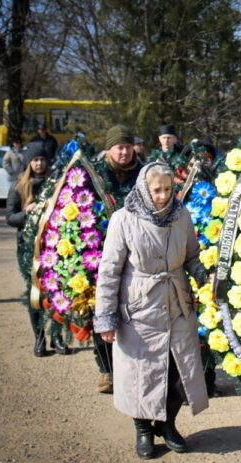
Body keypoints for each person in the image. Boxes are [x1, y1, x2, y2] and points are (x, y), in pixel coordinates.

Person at [94, 161, 209, 459]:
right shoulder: (124, 218)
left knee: (178, 371)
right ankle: (143, 429)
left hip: (176, 303)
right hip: (138, 307)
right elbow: (109, 271)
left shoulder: (181, 216)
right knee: (141, 373)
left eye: (168, 189)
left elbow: (191, 254)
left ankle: (167, 423)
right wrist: (106, 317)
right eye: (157, 190)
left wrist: (201, 273)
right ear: (144, 188)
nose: (162, 196)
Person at [91, 125, 144, 393]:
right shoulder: (95, 175)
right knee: (102, 308)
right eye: (118, 147)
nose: (124, 151)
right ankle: (107, 370)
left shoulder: (142, 173)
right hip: (101, 250)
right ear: (109, 149)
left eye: (127, 146)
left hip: (137, 253)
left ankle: (134, 367)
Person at [6, 143, 68, 356]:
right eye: (35, 160)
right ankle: (40, 339)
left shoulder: (55, 184)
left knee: (57, 293)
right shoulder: (19, 187)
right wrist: (27, 214)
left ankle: (58, 338)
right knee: (35, 293)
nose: (39, 163)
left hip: (54, 248)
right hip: (28, 249)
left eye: (42, 159)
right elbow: (10, 217)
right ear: (29, 162)